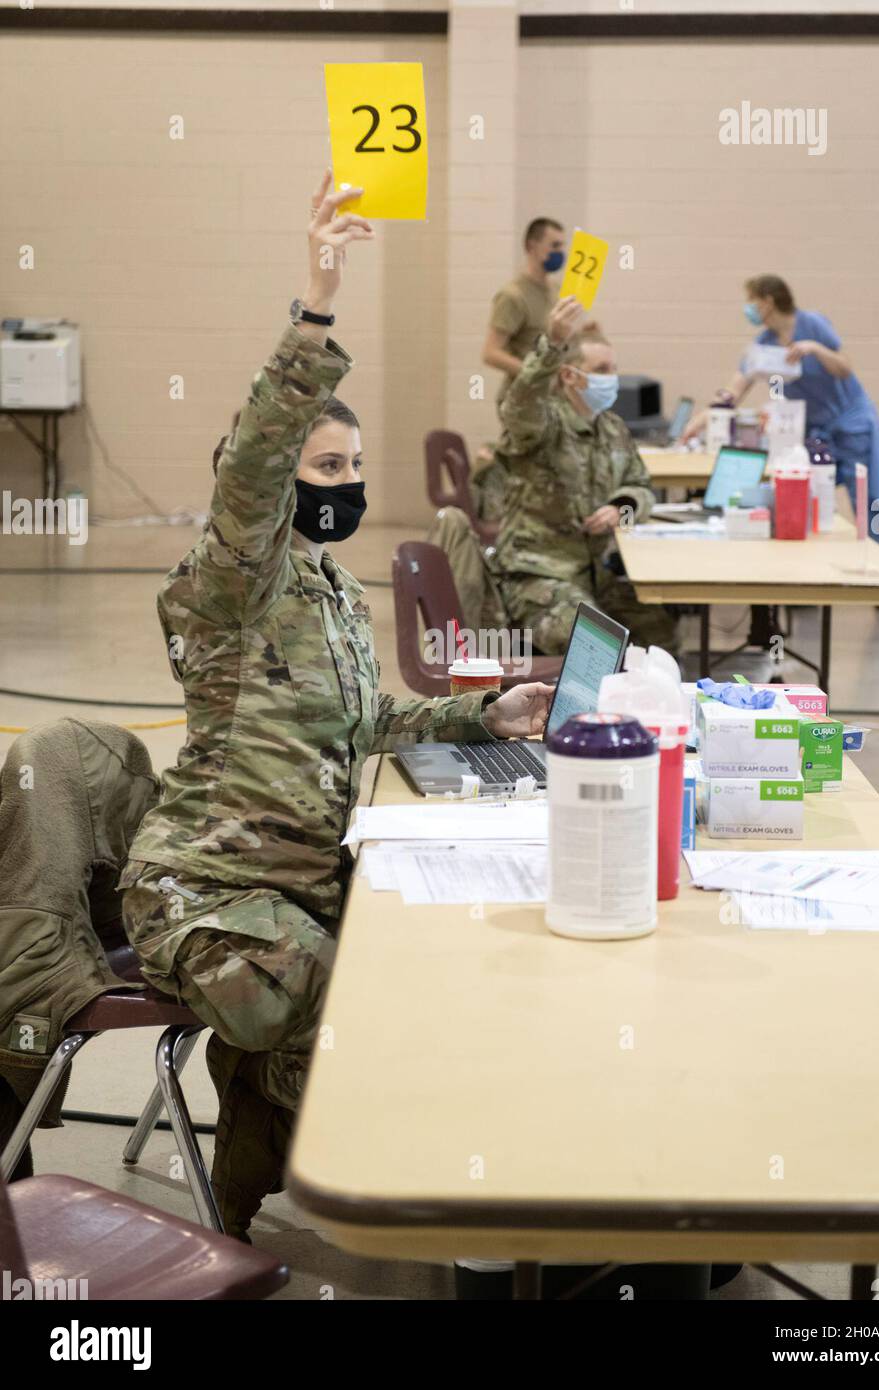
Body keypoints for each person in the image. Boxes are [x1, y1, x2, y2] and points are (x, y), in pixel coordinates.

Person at [119, 172, 553, 1242]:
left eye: (353, 465)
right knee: (370, 1003)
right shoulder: (232, 582)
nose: (343, 483)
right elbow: (255, 472)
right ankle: (396, 1190)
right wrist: (316, 305)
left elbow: (370, 727)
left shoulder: (327, 590)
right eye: (324, 465)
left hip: (301, 887)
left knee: (440, 960)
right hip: (211, 896)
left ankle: (333, 1155)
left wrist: (483, 718)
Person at [490, 296, 677, 656]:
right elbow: (519, 406)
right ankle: (589, 696)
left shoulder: (613, 428)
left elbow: (640, 485)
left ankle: (645, 696)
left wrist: (621, 507)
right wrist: (553, 344)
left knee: (658, 632)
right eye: (601, 369)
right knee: (591, 642)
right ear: (569, 375)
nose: (612, 378)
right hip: (538, 577)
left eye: (614, 368)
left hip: (596, 575)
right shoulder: (544, 423)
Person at [681, 274, 879, 550]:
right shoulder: (765, 344)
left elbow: (844, 368)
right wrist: (700, 420)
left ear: (768, 301)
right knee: (806, 501)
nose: (748, 308)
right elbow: (733, 391)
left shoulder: (812, 324)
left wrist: (815, 349)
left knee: (870, 502)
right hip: (816, 433)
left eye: (752, 301)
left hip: (851, 423)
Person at [474, 217, 567, 524]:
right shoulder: (513, 296)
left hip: (551, 399)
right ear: (532, 246)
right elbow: (491, 352)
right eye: (554, 245)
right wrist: (537, 371)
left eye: (562, 245)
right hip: (522, 400)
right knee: (528, 476)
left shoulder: (554, 291)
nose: (560, 252)